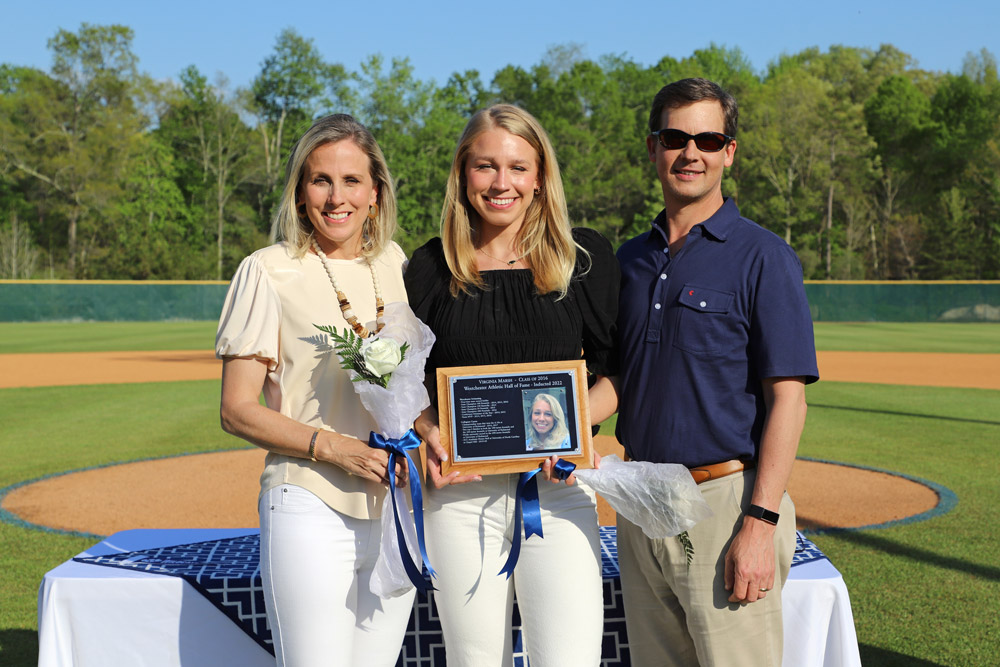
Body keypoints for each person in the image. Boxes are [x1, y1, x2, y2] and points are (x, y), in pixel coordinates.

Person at [613, 78, 819, 666]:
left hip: (725, 504)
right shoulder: (631, 260)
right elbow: (618, 380)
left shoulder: (763, 256)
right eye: (676, 137)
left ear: (729, 151)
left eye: (708, 138)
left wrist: (759, 522)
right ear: (653, 147)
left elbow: (789, 399)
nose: (691, 152)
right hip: (641, 498)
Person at [406, 104, 620, 666]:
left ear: (540, 176)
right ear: (462, 174)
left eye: (518, 167)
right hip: (461, 494)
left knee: (568, 658)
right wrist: (432, 433)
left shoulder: (585, 258)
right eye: (486, 167)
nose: (503, 183)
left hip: (559, 490)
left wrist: (572, 431)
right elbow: (403, 383)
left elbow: (618, 372)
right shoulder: (430, 267)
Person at [215, 114, 415, 667]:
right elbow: (236, 410)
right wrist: (333, 447)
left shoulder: (399, 265)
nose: (336, 197)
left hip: (395, 506)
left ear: (375, 192)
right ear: (301, 193)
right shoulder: (269, 270)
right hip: (309, 501)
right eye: (320, 180)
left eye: (351, 181)